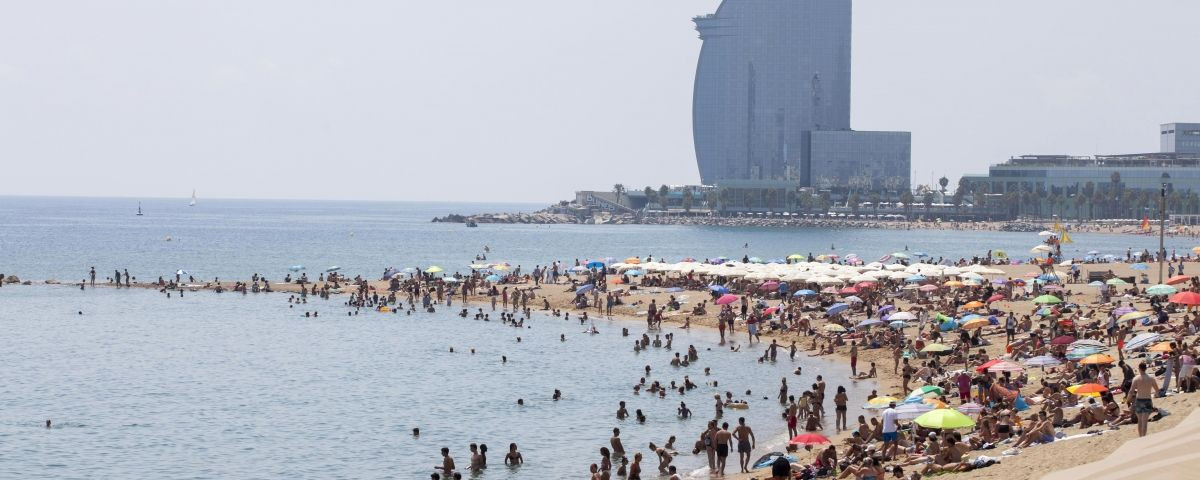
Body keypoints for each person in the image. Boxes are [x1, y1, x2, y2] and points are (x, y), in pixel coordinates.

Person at [1127, 362, 1161, 437]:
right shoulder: (1151, 378)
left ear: (1139, 369)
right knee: (1145, 421)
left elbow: (1131, 391)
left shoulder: (1136, 379)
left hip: (1139, 400)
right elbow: (1157, 390)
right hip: (1147, 400)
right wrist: (1157, 395)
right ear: (1146, 368)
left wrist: (1128, 400)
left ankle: (1140, 437)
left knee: (1140, 421)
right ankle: (1144, 438)